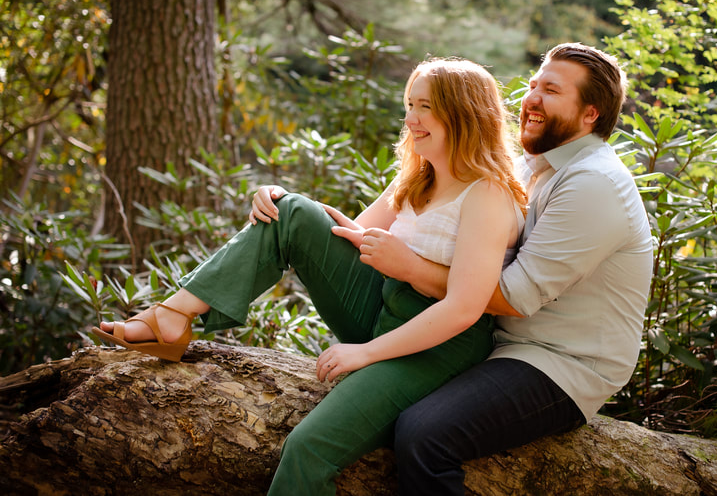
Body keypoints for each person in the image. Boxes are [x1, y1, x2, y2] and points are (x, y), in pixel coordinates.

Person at [92, 58, 528, 495]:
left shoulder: (487, 194)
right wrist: (279, 205)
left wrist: (366, 353)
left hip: (439, 344)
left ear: (464, 114)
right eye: (410, 105)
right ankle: (173, 315)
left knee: (307, 448)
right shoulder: (418, 176)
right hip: (386, 302)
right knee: (293, 211)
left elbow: (465, 308)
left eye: (426, 108)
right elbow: (347, 235)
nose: (411, 119)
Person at [348, 43, 654, 495]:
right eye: (533, 85)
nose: (530, 98)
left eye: (550, 90)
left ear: (590, 114)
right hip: (491, 338)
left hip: (558, 362)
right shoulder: (533, 164)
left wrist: (411, 266)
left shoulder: (595, 183)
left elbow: (509, 298)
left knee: (423, 433)